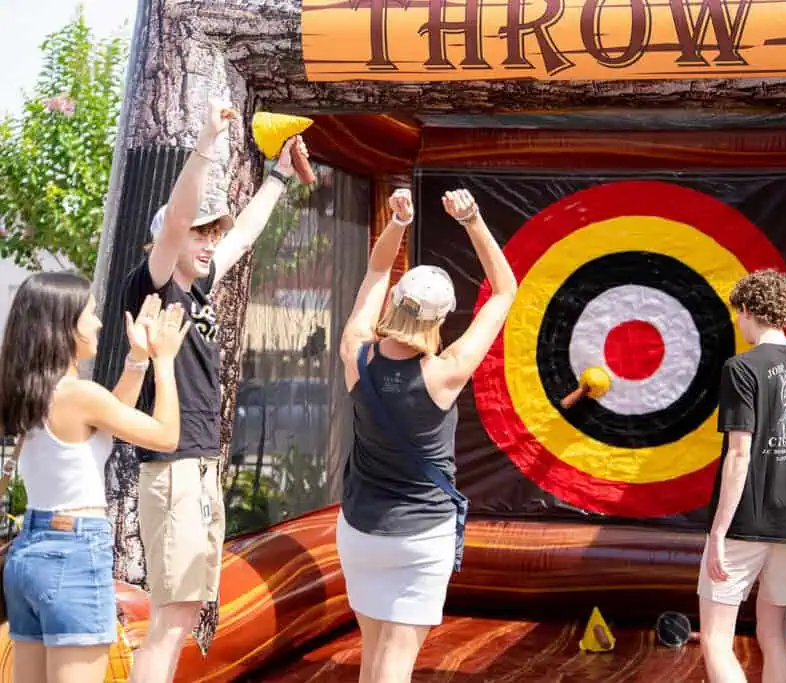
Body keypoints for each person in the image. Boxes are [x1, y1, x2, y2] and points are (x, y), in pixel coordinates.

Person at [123, 99, 308, 683]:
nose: (208, 242)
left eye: (212, 234)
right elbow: (177, 219)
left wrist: (278, 174)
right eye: (201, 233)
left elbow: (246, 232)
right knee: (170, 618)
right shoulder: (154, 287)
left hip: (199, 465)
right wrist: (205, 142)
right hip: (173, 465)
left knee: (181, 613)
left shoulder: (200, 291)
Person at [336, 188, 517, 683]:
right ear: (441, 319)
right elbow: (505, 290)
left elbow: (375, 272)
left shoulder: (356, 354)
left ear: (393, 304)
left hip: (358, 530)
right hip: (420, 537)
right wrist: (472, 219)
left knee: (373, 656)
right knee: (395, 661)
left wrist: (397, 223)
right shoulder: (446, 373)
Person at [0, 273, 190, 683]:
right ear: (64, 325)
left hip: (30, 554)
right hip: (73, 551)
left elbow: (106, 425)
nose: (99, 323)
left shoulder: (34, 392)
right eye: (89, 313)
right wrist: (166, 363)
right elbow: (167, 436)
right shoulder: (78, 395)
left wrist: (137, 358)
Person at [698, 269, 786, 683]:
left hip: (745, 523)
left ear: (749, 311)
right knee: (774, 635)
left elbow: (740, 454)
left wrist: (717, 532)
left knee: (717, 638)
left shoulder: (742, 368)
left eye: (738, 314)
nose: (739, 323)